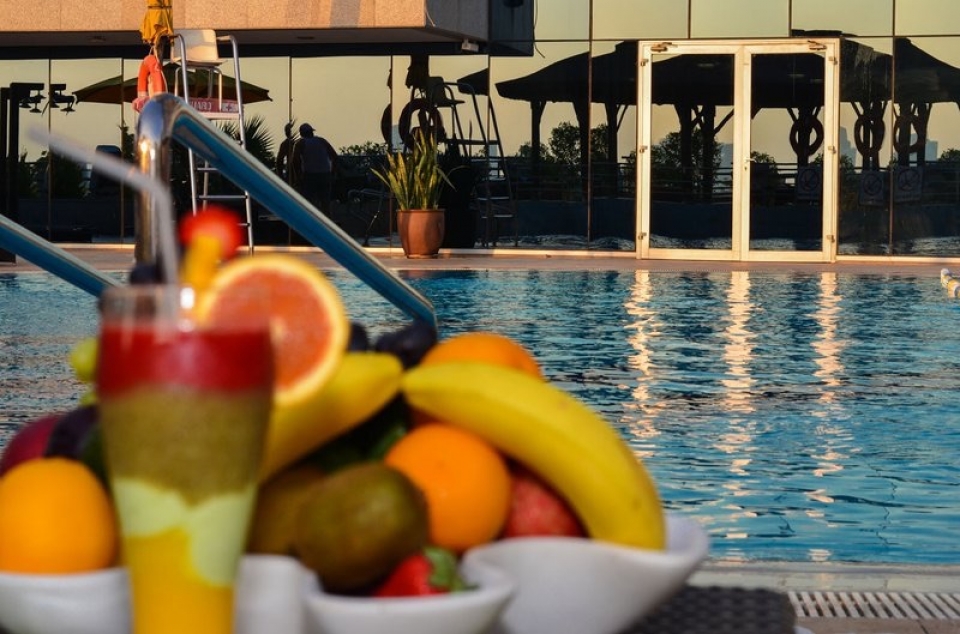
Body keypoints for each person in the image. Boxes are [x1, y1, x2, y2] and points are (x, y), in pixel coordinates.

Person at [291, 122, 337, 215]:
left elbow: (295, 161)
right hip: (325, 174)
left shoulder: (300, 143)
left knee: (308, 202)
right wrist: (333, 172)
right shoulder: (322, 141)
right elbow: (334, 156)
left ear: (301, 133)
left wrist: (298, 176)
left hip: (310, 175)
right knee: (325, 202)